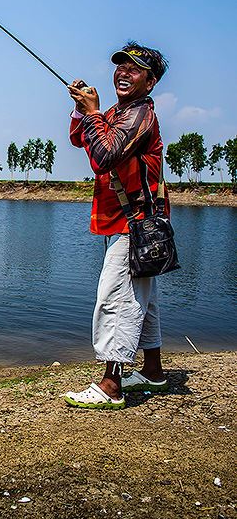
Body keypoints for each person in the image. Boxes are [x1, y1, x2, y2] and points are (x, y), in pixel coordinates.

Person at [64, 41, 170, 410]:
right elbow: (82, 140)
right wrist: (83, 112)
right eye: (120, 66)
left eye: (134, 69)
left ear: (150, 81)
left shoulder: (140, 115)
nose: (123, 73)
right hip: (129, 219)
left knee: (117, 297)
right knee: (146, 298)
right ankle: (153, 371)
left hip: (135, 221)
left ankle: (111, 383)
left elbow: (104, 157)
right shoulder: (119, 112)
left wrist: (93, 113)